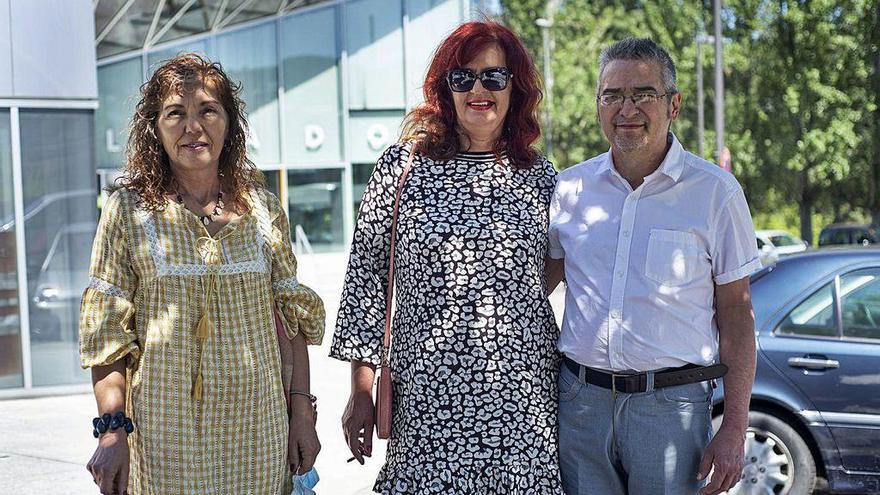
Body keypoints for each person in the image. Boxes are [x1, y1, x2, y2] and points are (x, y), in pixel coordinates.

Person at [330, 21, 562, 494]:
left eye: (494, 77)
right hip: (426, 408)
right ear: (446, 89)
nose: (479, 89)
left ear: (515, 88)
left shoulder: (540, 177)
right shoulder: (403, 166)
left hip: (521, 406)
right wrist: (361, 388)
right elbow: (366, 280)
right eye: (464, 78)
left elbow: (556, 267)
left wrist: (503, 301)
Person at [79, 53, 324, 494]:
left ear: (229, 122)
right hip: (164, 443)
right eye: (176, 113)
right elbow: (106, 332)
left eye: (208, 110)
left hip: (259, 437)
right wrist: (111, 430)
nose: (193, 127)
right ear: (154, 127)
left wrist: (302, 414)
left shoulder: (263, 209)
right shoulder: (127, 211)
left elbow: (291, 323)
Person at [546, 38, 761, 495]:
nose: (627, 109)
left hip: (673, 410)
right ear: (598, 105)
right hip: (581, 405)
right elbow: (531, 287)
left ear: (674, 104)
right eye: (612, 95)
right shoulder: (569, 190)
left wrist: (734, 428)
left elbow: (738, 318)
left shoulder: (716, 194)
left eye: (643, 94)